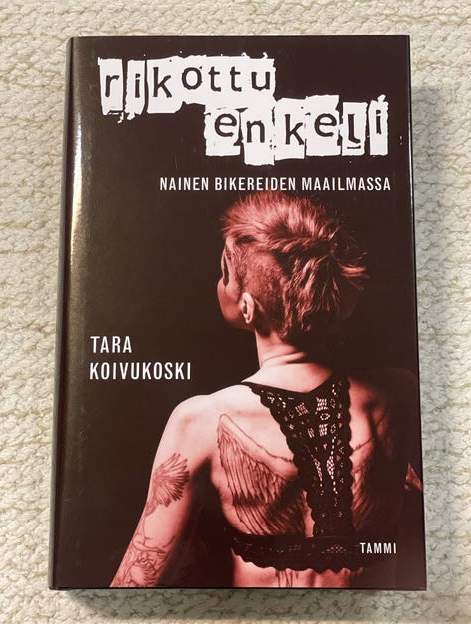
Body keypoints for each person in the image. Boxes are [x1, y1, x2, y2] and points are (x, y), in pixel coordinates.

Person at [110, 191, 422, 588]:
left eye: (225, 273)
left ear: (247, 306)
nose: (219, 282)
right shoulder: (398, 395)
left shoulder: (203, 421)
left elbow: (134, 586)